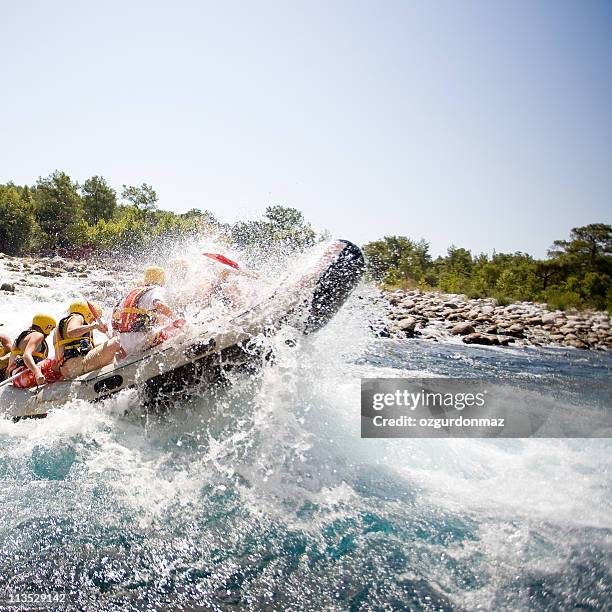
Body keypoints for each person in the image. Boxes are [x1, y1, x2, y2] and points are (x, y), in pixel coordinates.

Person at [112, 265, 185, 356]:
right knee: (177, 327)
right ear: (162, 279)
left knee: (159, 327)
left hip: (124, 343)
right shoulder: (156, 289)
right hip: (141, 341)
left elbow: (115, 319)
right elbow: (159, 304)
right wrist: (176, 318)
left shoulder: (133, 292)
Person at [55, 300, 120, 379]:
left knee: (110, 343)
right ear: (87, 312)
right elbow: (71, 332)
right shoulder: (77, 317)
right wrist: (94, 326)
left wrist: (108, 343)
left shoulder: (64, 324)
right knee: (118, 340)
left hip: (69, 369)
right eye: (93, 318)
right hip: (77, 364)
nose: (92, 321)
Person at [8, 314, 62, 388]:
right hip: (25, 376)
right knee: (59, 358)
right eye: (51, 329)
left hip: (17, 380)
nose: (49, 333)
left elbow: (10, 367)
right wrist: (37, 373)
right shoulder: (38, 335)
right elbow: (26, 355)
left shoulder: (23, 337)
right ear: (47, 326)